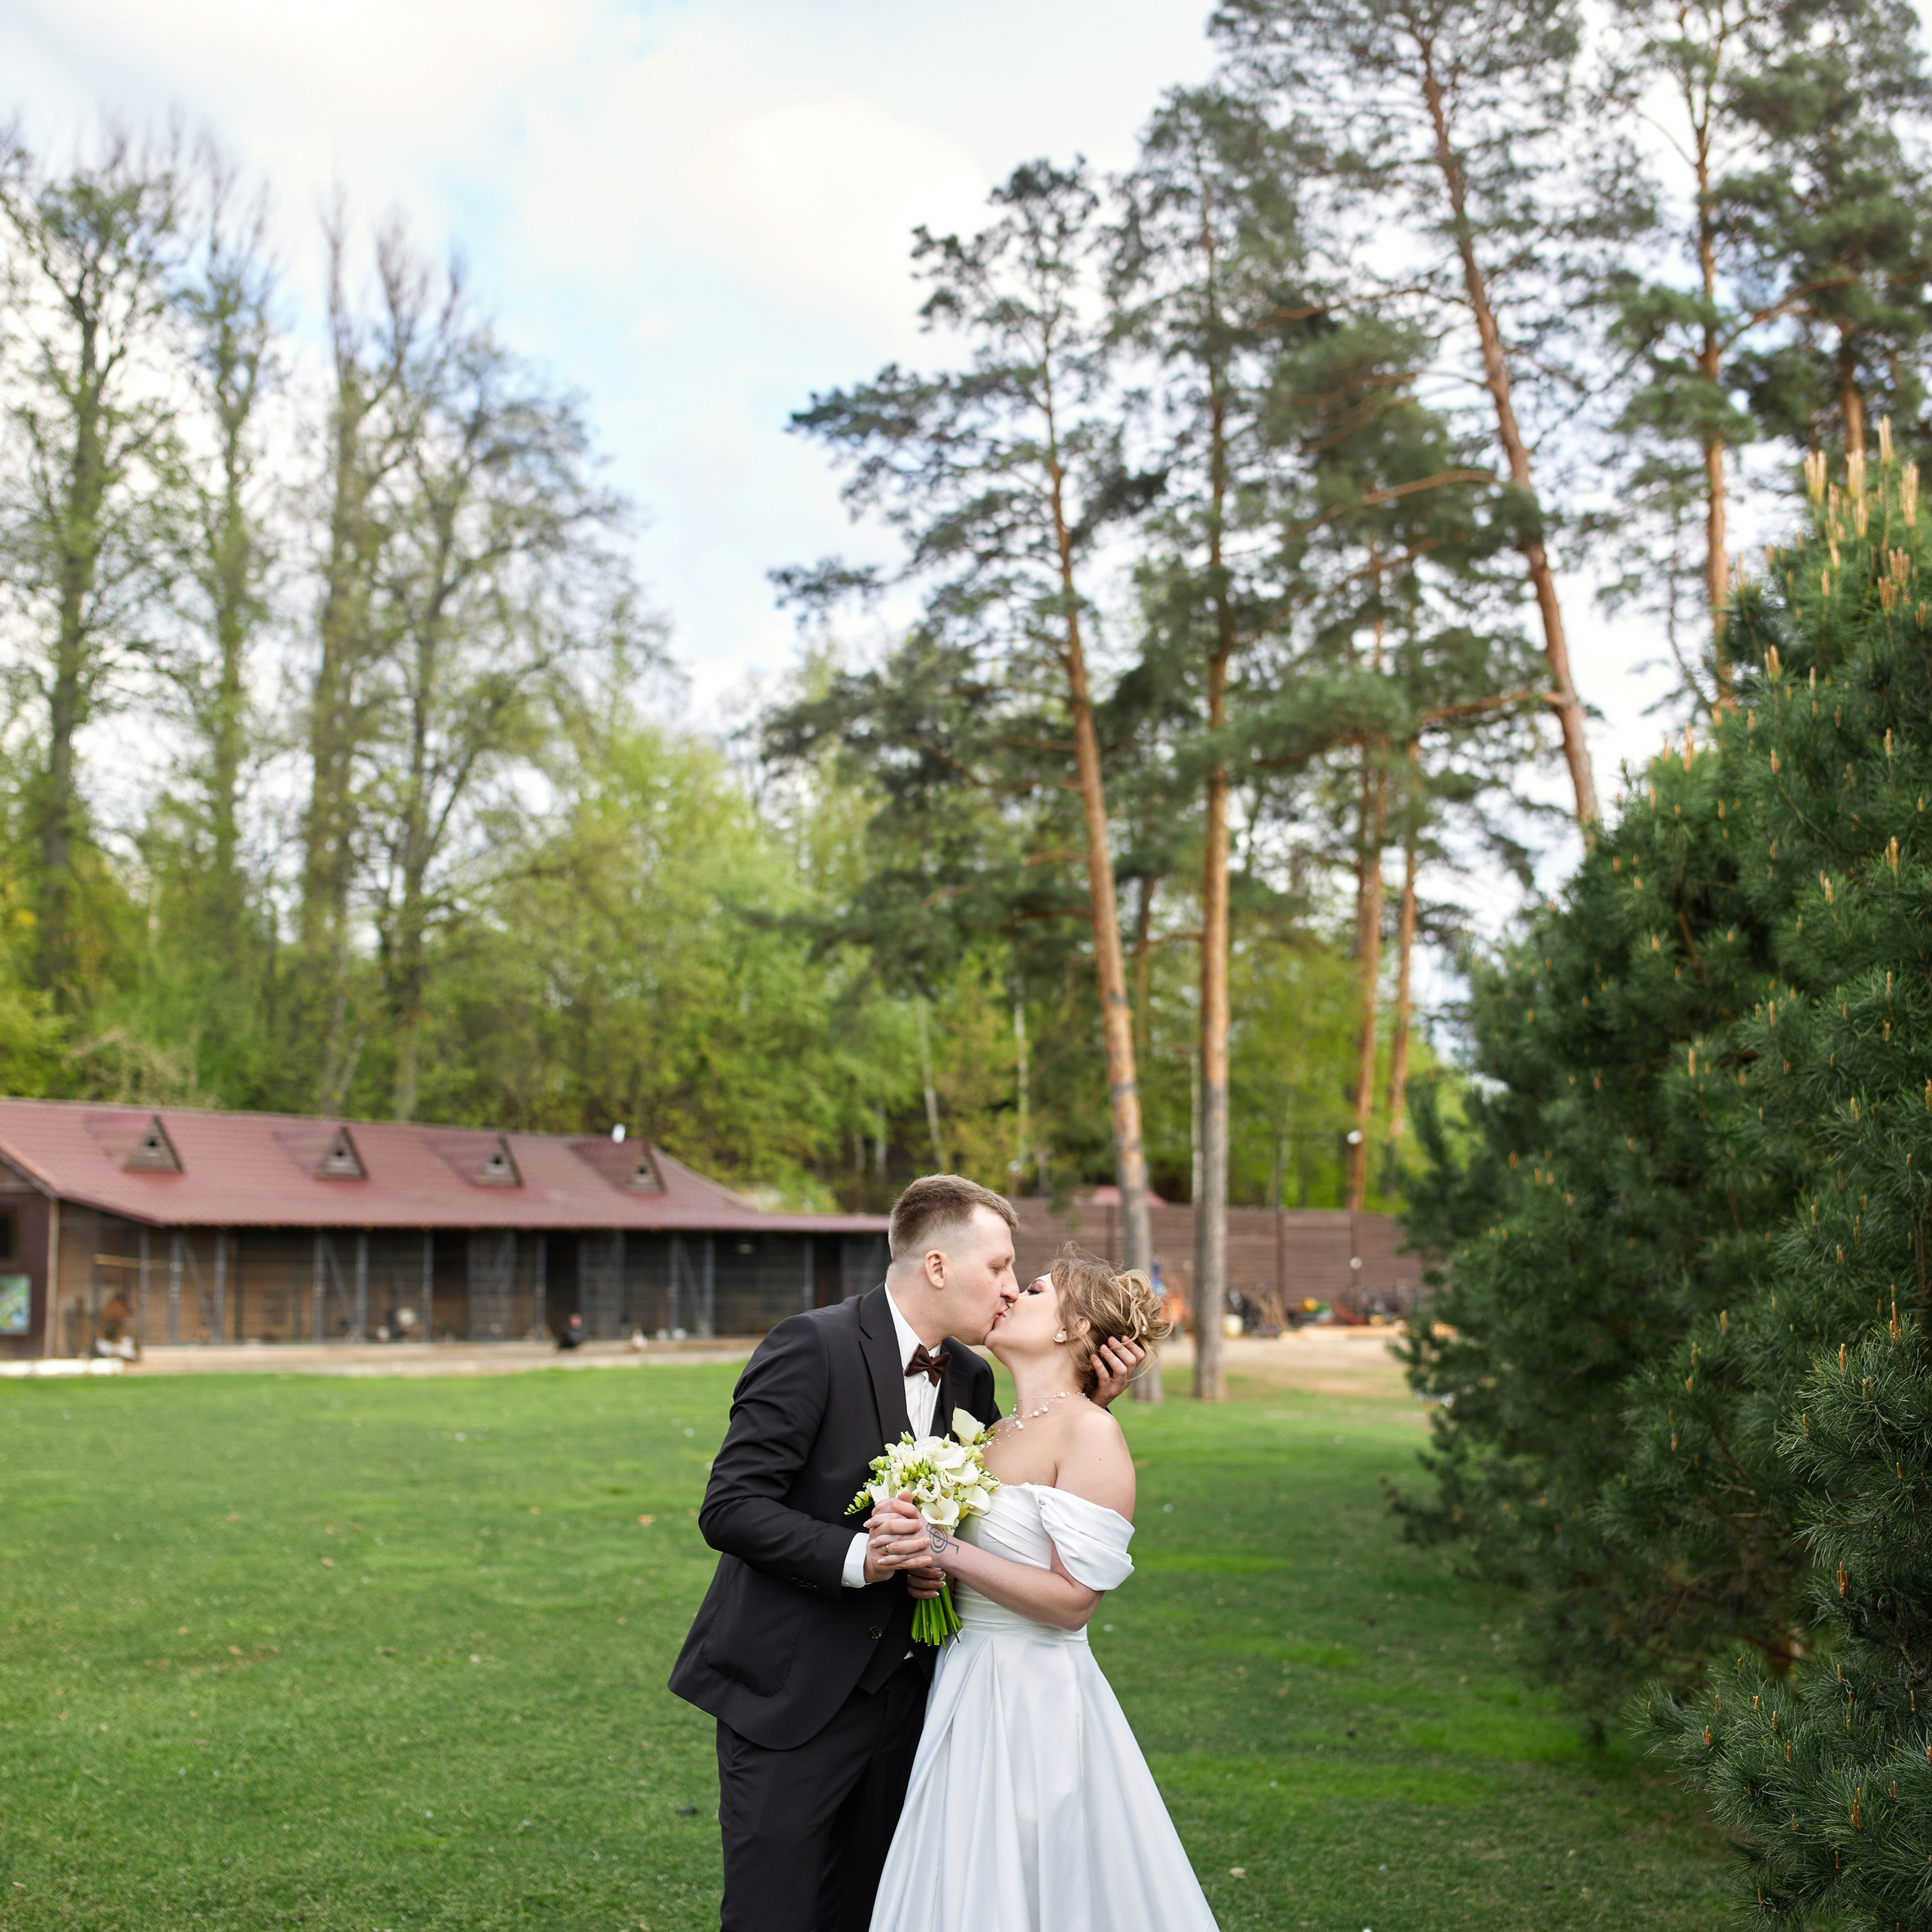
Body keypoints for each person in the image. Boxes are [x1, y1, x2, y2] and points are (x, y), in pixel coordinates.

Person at [668, 1176, 1145, 1932]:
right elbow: (731, 1507)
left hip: (918, 1702)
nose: (1010, 1286)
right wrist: (865, 1557)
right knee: (773, 1913)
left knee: (875, 1911)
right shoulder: (812, 1344)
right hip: (793, 1695)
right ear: (935, 1266)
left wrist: (1090, 1395)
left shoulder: (972, 1376)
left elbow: (1018, 1490)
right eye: (998, 1268)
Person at [863, 1247, 1217, 1932]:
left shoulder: (1092, 1433)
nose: (1006, 1296)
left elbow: (1072, 1602)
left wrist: (943, 1545)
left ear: (1074, 1329)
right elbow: (979, 1564)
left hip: (1034, 1699)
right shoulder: (989, 1435)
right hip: (964, 1682)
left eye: (1030, 1288)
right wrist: (926, 1570)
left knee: (1036, 1880)